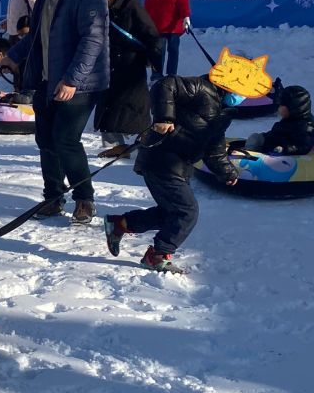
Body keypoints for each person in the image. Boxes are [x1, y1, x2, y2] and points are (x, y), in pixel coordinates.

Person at [0, 0, 109, 223]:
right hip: (49, 77)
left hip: (80, 82)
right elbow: (35, 35)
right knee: (45, 139)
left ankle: (84, 199)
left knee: (65, 139)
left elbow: (93, 39)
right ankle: (53, 197)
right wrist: (14, 56)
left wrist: (73, 79)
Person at [104, 70, 243, 273]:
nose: (242, 97)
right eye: (240, 91)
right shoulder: (201, 87)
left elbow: (215, 148)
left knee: (172, 213)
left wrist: (228, 172)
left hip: (179, 165)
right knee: (187, 212)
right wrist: (165, 117)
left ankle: (121, 224)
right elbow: (164, 85)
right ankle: (158, 255)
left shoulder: (223, 112)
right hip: (162, 159)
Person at [94, 0, 161, 150]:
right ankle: (114, 148)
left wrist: (155, 60)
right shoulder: (99, 8)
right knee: (107, 109)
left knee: (133, 108)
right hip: (108, 65)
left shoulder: (131, 6)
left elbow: (151, 33)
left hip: (130, 65)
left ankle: (146, 145)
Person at [244, 85, 314, 157]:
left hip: (282, 151)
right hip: (273, 144)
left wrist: (284, 149)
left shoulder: (307, 127)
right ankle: (245, 153)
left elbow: (302, 146)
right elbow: (277, 133)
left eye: (281, 105)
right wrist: (265, 137)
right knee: (255, 138)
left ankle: (246, 160)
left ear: (293, 108)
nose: (279, 108)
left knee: (256, 142)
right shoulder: (291, 118)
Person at [144, 0, 190, 78]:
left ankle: (156, 76)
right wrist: (186, 17)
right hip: (173, 27)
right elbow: (183, 5)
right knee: (173, 52)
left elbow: (147, 8)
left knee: (158, 52)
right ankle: (171, 76)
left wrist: (146, 24)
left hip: (157, 27)